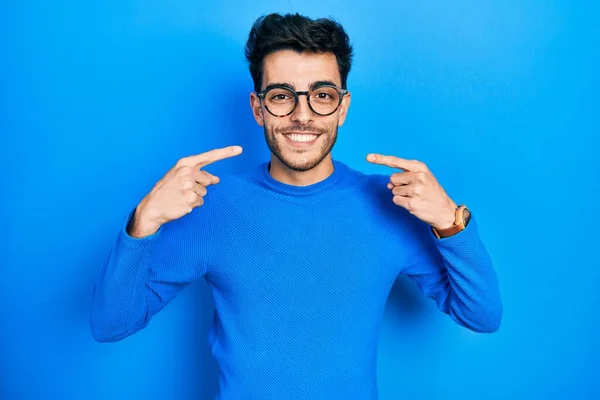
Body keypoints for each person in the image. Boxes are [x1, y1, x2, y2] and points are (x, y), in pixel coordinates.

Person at [89, 12, 502, 400]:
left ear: (342, 108)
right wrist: (145, 221)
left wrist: (451, 222)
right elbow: (111, 323)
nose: (302, 116)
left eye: (321, 95)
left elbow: (482, 315)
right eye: (282, 96)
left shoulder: (390, 204)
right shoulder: (212, 206)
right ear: (257, 108)